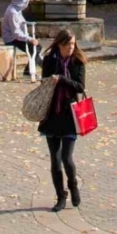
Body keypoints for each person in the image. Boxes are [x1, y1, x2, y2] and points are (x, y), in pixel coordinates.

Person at [36, 30, 88, 212]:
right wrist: (50, 80)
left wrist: (63, 79)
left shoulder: (78, 61)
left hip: (69, 114)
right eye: (67, 45)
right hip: (52, 114)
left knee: (67, 157)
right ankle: (60, 195)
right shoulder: (50, 60)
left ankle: (73, 185)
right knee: (55, 159)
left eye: (73, 44)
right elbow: (44, 82)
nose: (70, 48)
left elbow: (80, 86)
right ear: (59, 44)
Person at [0, 0, 37, 74]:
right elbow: (16, 32)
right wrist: (28, 39)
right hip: (12, 39)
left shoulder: (17, 9)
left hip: (17, 37)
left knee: (36, 48)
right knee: (35, 48)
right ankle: (28, 71)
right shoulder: (13, 12)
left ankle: (29, 70)